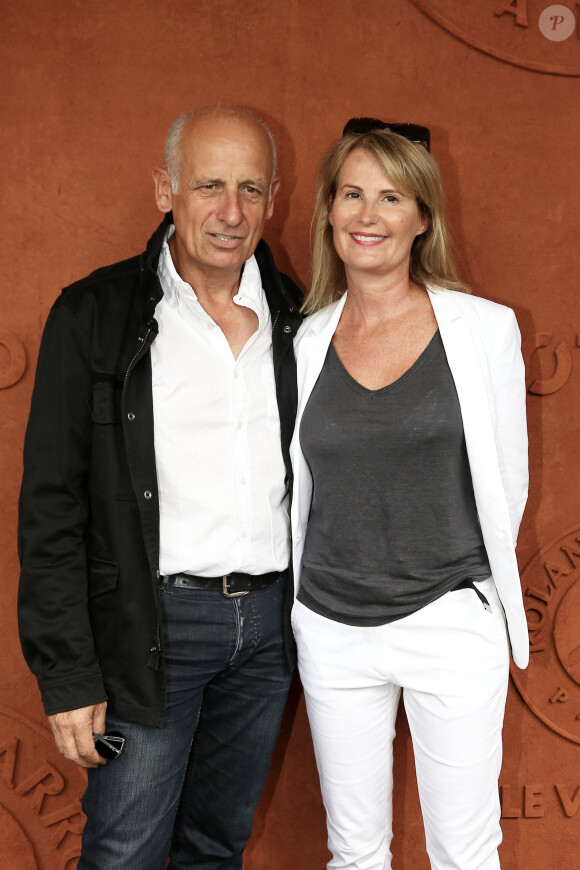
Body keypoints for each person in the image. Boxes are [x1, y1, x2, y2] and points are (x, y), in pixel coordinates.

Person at [17, 104, 302, 869]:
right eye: (209, 184)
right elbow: (51, 506)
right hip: (150, 631)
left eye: (250, 187)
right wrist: (67, 672)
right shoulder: (94, 314)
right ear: (164, 188)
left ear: (274, 197)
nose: (231, 211)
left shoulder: (302, 319)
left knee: (216, 847)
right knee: (124, 852)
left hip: (269, 634)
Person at [289, 118, 529, 870]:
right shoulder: (303, 341)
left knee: (464, 853)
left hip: (450, 621)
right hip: (330, 627)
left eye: (391, 197)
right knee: (353, 853)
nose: (368, 215)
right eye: (352, 194)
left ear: (422, 217)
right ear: (328, 210)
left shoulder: (485, 330)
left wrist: (469, 591)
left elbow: (507, 482)